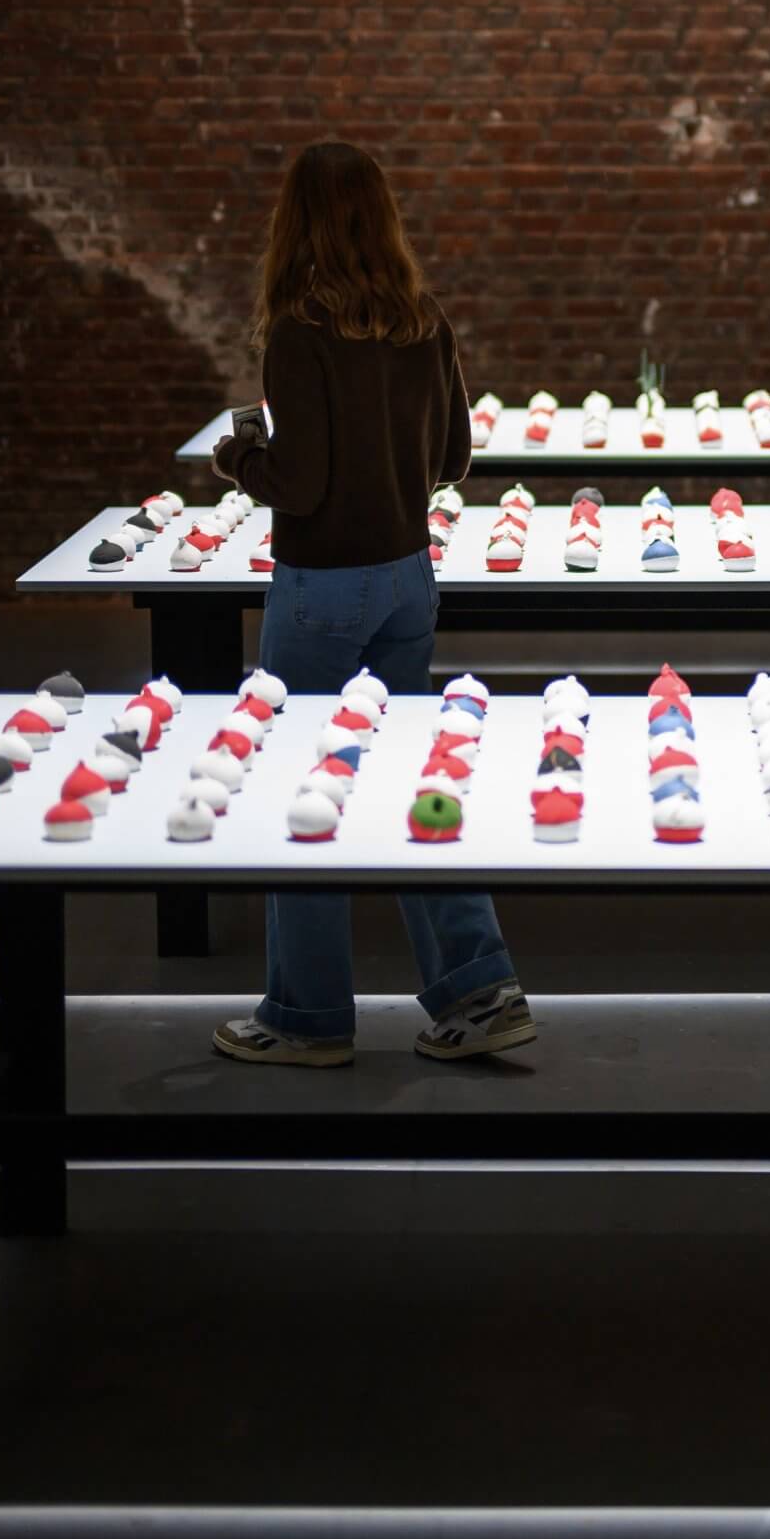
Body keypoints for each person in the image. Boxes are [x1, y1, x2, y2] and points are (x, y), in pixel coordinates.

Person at [207, 140, 534, 1068]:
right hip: (404, 578)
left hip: (320, 591)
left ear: (293, 223)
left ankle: (308, 1018)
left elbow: (298, 484)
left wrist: (239, 458)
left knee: (304, 795)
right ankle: (478, 987)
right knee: (410, 782)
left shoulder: (299, 331)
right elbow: (455, 461)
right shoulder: (421, 319)